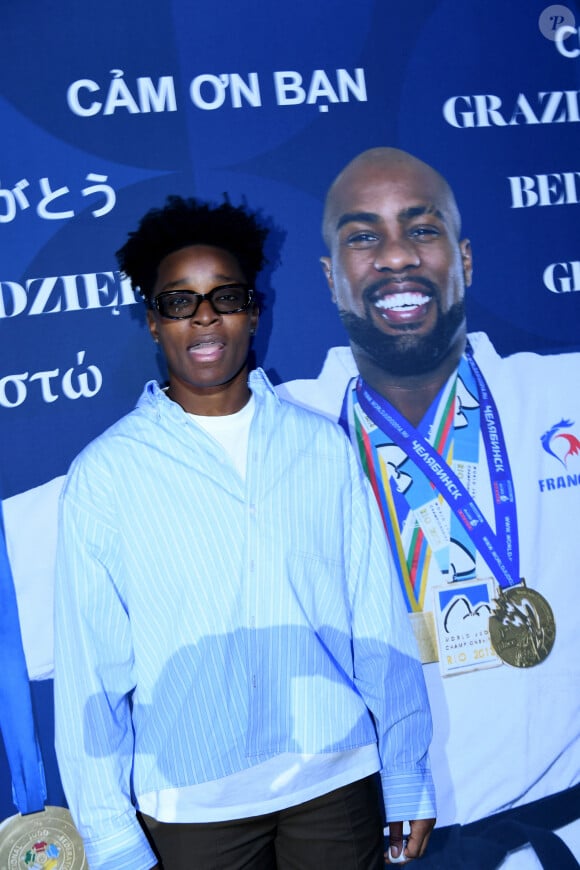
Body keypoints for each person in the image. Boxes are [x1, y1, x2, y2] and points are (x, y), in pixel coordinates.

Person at [53, 195, 436, 870]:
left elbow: (376, 625)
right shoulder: (106, 474)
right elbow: (90, 671)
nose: (204, 316)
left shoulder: (321, 448)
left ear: (253, 311)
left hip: (336, 786)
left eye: (224, 296)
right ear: (151, 321)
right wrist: (111, 836)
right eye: (179, 301)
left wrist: (406, 768)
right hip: (193, 808)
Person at [278, 148, 580, 869]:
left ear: (464, 258)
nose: (395, 257)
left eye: (422, 229)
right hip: (396, 849)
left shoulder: (565, 395)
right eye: (361, 236)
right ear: (330, 278)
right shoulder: (270, 435)